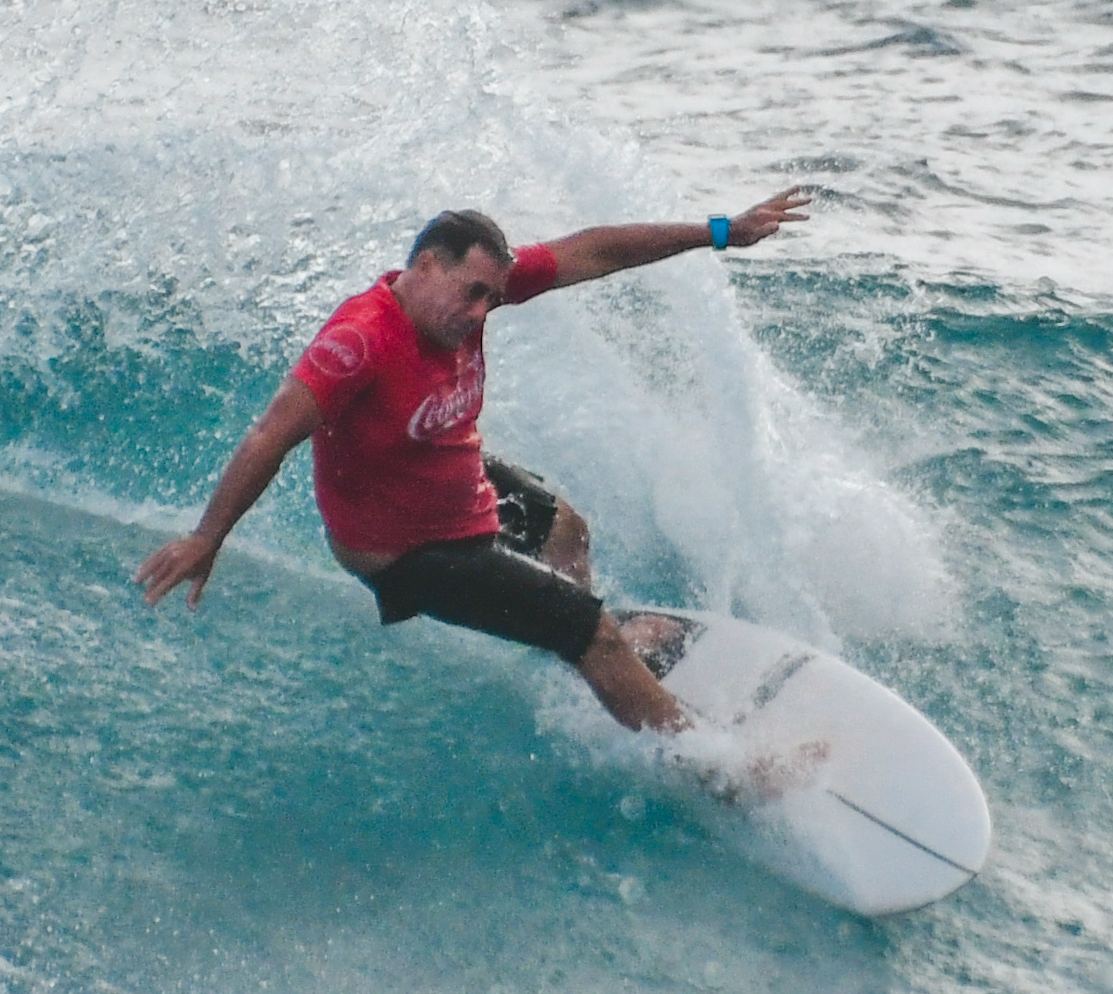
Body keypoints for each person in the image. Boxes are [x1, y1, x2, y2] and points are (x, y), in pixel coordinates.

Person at [136, 187, 813, 732]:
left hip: (451, 484)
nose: (483, 310)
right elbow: (268, 436)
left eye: (493, 296)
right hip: (406, 551)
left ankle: (583, 658)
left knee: (566, 532)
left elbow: (594, 251)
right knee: (591, 630)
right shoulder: (360, 341)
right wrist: (206, 536)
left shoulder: (466, 296)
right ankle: (710, 764)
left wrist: (720, 230)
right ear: (424, 266)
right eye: (474, 294)